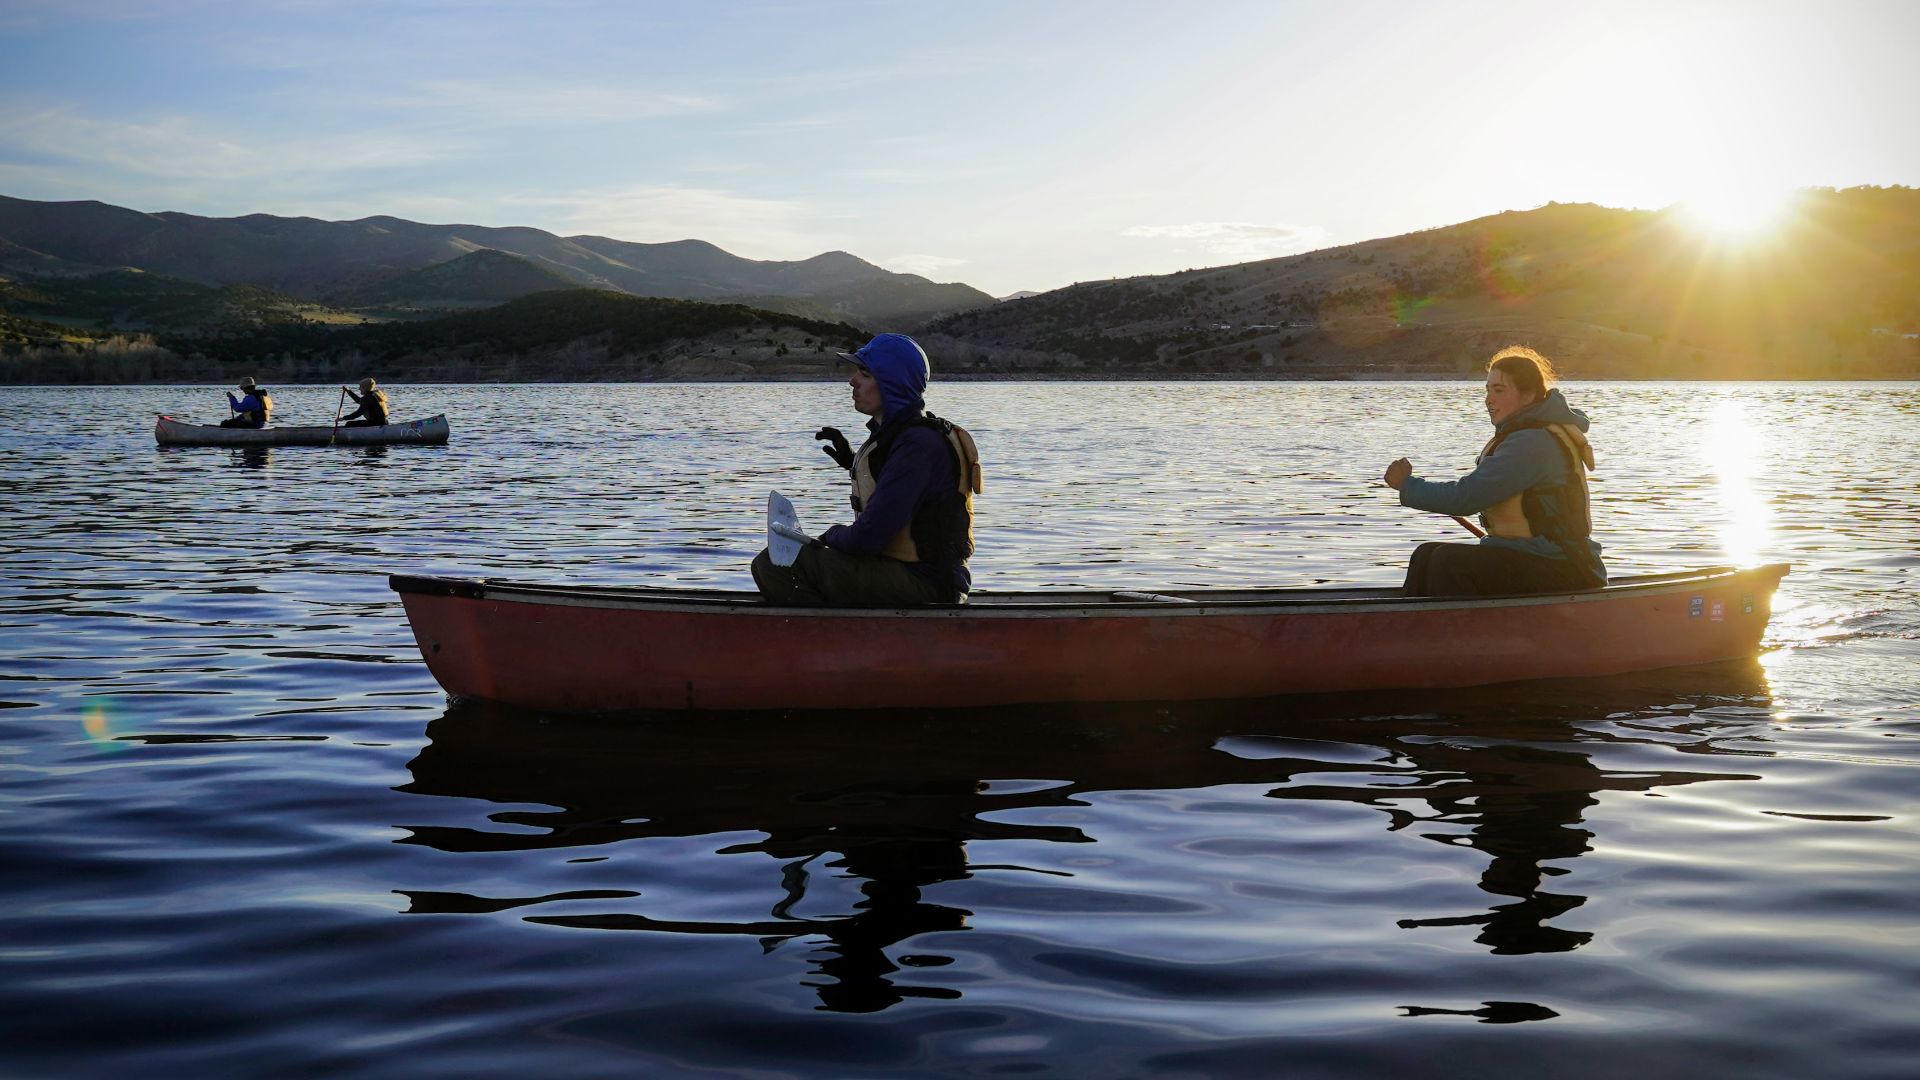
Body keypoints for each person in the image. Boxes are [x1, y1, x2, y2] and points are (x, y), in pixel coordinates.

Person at [751, 333, 982, 606]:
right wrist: (853, 462)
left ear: (892, 383)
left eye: (865, 374)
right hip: (917, 576)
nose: (853, 381)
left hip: (926, 583)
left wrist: (827, 537)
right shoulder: (907, 436)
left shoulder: (916, 444)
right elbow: (907, 488)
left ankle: (825, 641)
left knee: (773, 563)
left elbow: (868, 538)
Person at [1382, 345, 1606, 596]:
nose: (1489, 399)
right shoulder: (1525, 434)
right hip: (1530, 559)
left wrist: (1407, 485)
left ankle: (1442, 632)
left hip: (1567, 568)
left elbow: (1465, 499)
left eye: (1499, 390)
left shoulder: (1532, 442)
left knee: (1447, 562)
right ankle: (1412, 626)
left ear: (1529, 394)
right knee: (1426, 555)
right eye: (1487, 390)